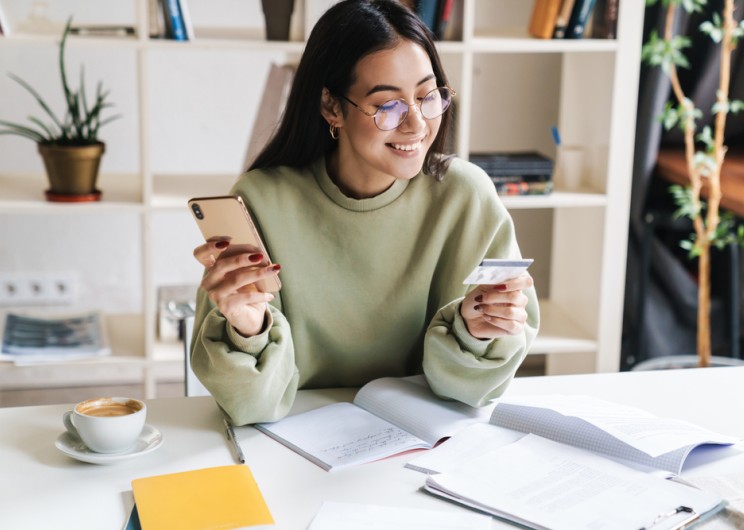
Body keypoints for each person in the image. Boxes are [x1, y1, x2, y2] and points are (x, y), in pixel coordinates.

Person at [190, 0, 540, 426]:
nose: (416, 124)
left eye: (428, 96)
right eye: (387, 105)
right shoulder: (262, 200)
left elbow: (468, 395)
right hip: (293, 443)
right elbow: (253, 407)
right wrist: (247, 328)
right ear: (331, 107)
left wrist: (477, 332)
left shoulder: (466, 198)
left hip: (424, 442)